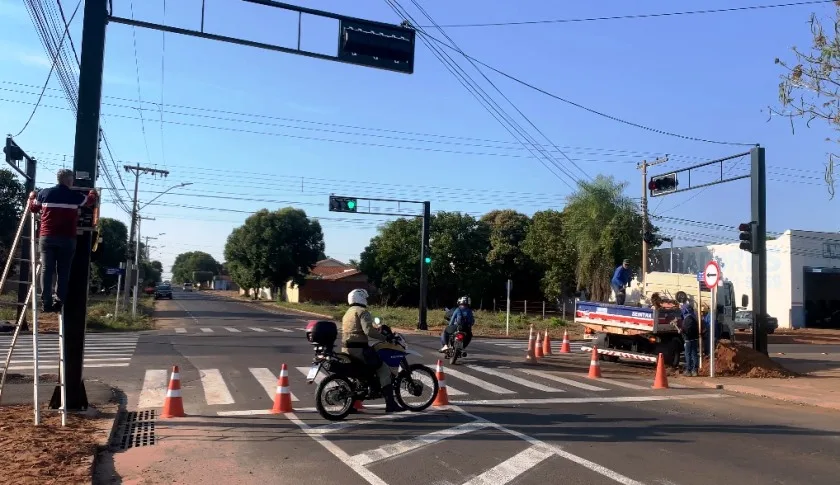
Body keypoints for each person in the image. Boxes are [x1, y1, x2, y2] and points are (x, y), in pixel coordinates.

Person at [28, 169, 98, 313]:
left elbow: (33, 208)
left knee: (47, 269)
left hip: (47, 237)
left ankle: (46, 302)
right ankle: (59, 301)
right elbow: (90, 201)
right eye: (72, 179)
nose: (73, 182)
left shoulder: (44, 193)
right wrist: (92, 192)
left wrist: (31, 196)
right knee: (63, 271)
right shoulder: (74, 196)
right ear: (68, 180)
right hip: (67, 238)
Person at [340, 288, 400, 413]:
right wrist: (385, 337)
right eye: (365, 298)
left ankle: (351, 404)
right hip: (359, 350)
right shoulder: (362, 311)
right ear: (360, 298)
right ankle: (390, 404)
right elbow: (368, 331)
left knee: (361, 375)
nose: (366, 300)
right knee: (383, 369)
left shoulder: (348, 312)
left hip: (346, 349)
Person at [679, 302, 700, 376]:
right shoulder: (693, 317)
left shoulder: (687, 319)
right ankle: (695, 370)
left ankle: (689, 370)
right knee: (694, 354)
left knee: (688, 354)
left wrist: (682, 331)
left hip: (689, 339)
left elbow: (687, 330)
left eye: (682, 309)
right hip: (694, 339)